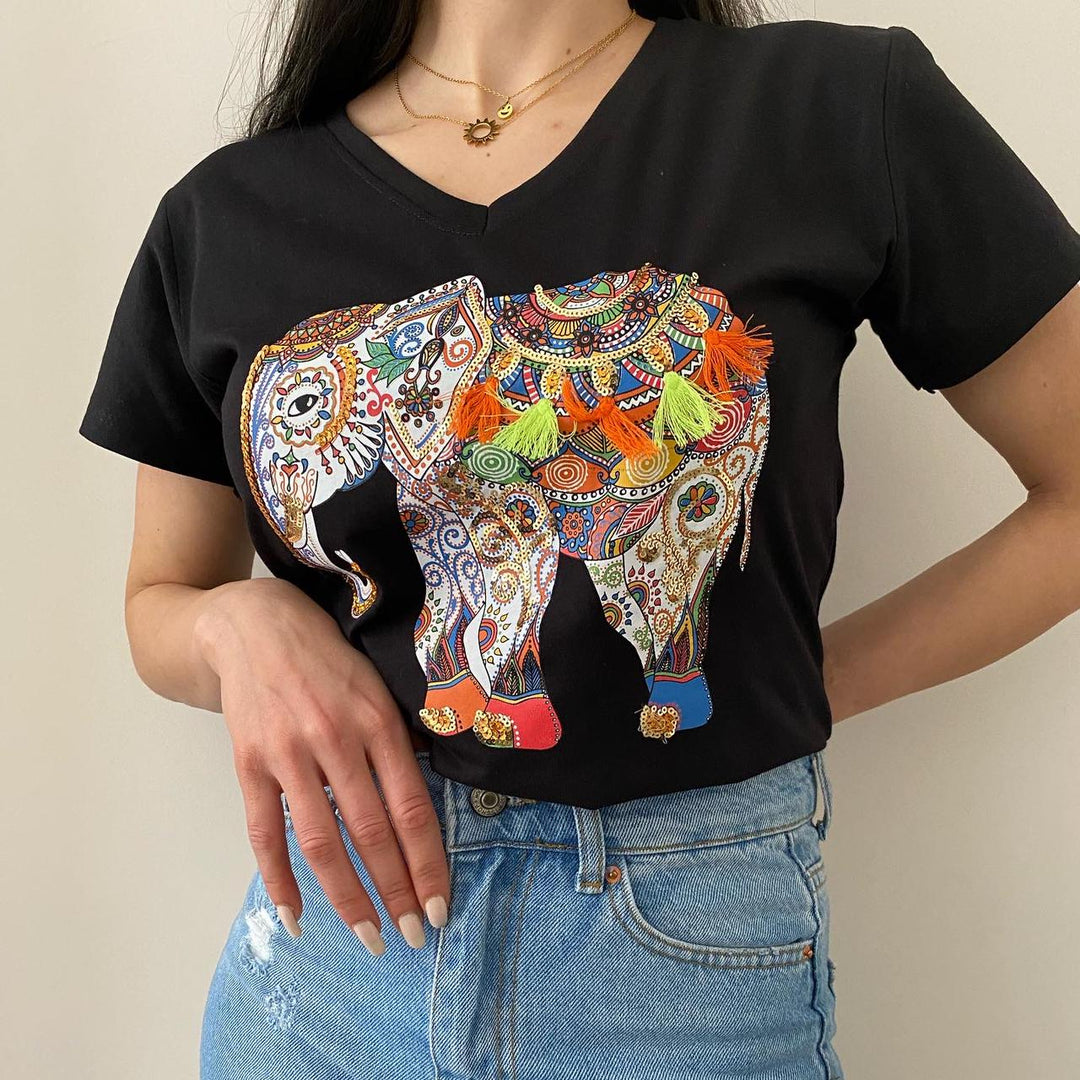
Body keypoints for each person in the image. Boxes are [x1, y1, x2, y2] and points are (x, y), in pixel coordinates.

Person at [78, 1, 1080, 1077]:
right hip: (329, 966)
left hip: (683, 958)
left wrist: (805, 682)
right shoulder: (226, 212)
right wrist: (237, 625)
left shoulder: (835, 109)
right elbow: (160, 601)